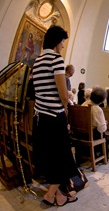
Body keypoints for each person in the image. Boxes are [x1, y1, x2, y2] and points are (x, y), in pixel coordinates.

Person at [32, 26, 78, 206]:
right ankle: (50, 195)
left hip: (40, 115)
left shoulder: (37, 61)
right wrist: (66, 105)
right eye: (63, 41)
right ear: (57, 41)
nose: (63, 45)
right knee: (62, 156)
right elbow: (62, 92)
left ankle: (59, 195)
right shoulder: (56, 59)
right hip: (54, 116)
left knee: (49, 156)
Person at [81, 86, 108, 156]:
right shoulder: (97, 109)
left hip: (81, 133)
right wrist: (105, 123)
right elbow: (102, 129)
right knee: (103, 132)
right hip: (91, 134)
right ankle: (101, 155)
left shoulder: (84, 104)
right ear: (102, 100)